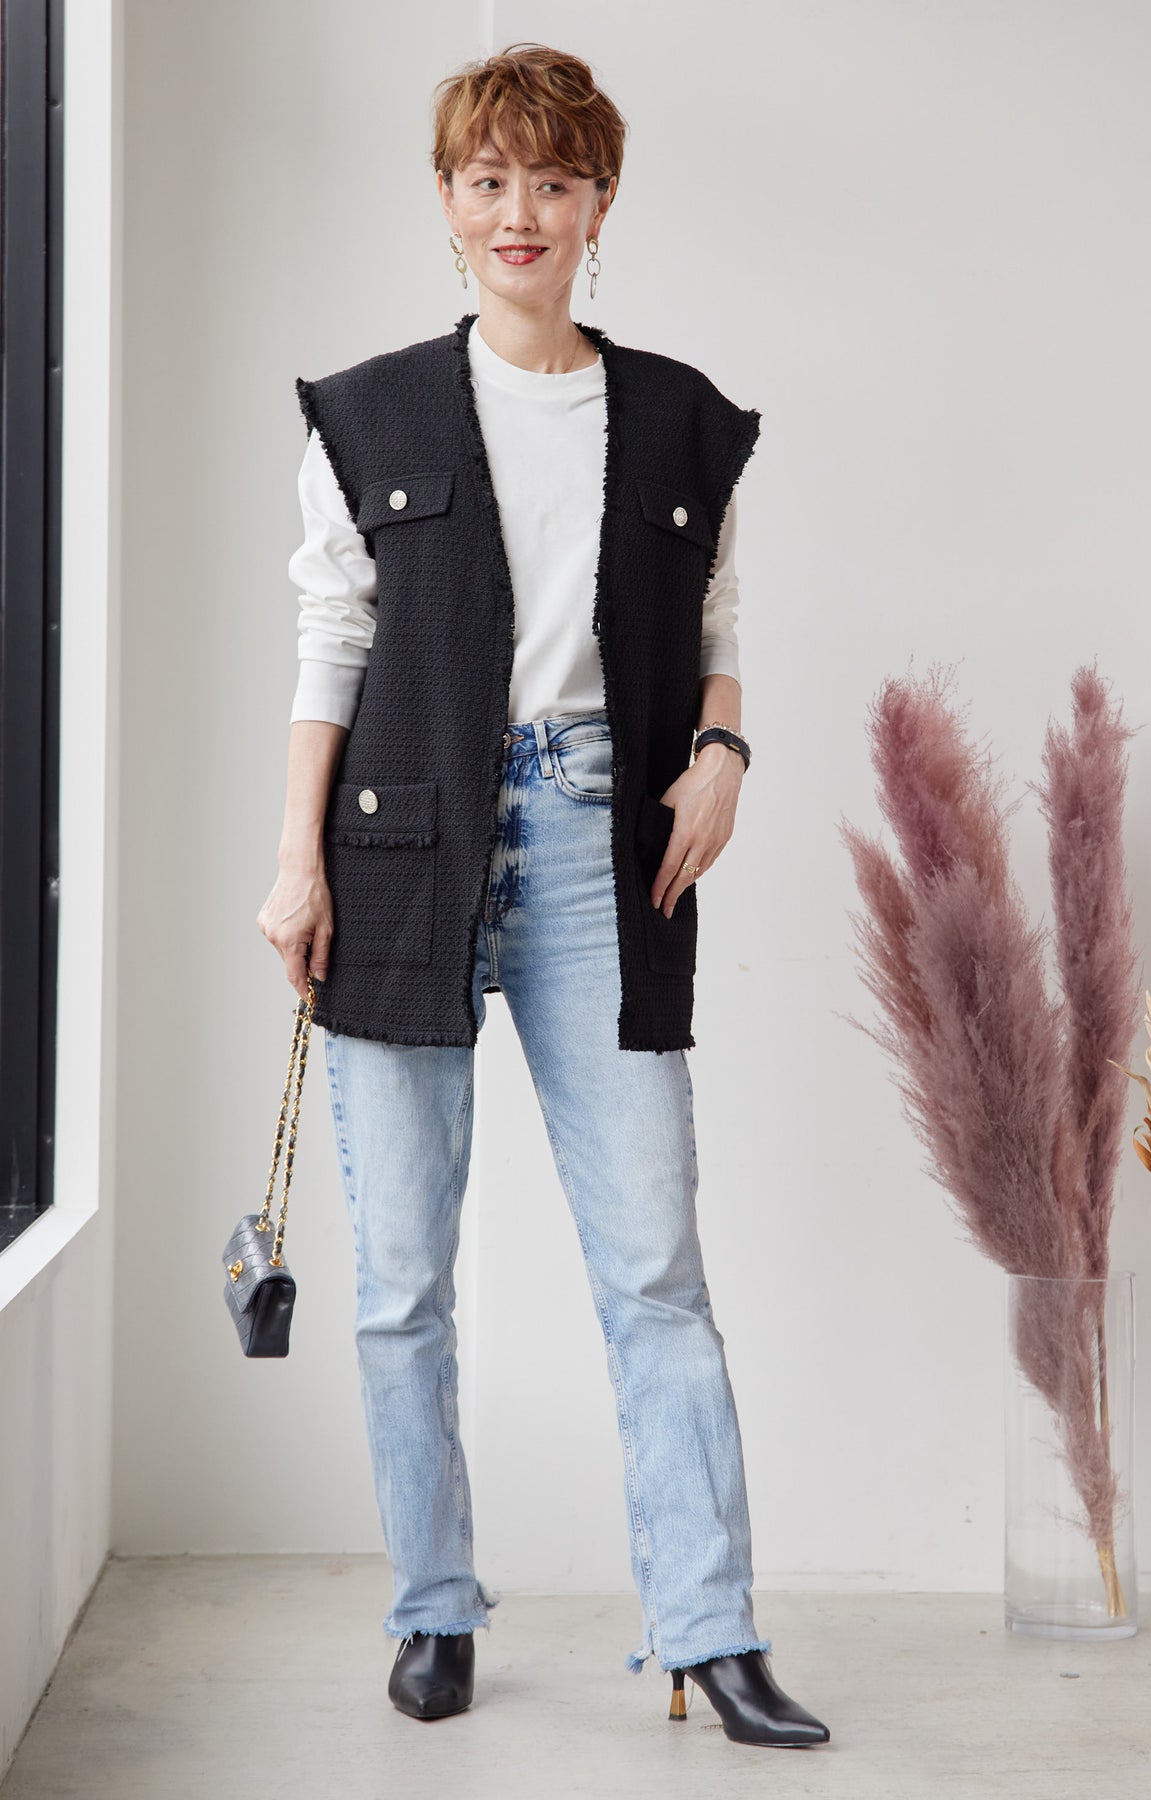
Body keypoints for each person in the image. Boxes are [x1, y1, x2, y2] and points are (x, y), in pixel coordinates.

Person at [257, 41, 831, 1751]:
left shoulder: (680, 418)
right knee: (399, 1281)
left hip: (602, 846)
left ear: (599, 203)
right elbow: (332, 639)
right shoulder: (366, 413)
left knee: (655, 1268)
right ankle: (433, 1609)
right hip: (396, 854)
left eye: (555, 181)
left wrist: (724, 748)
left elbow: (717, 620)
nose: (522, 211)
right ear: (447, 202)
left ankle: (711, 1633)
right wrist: (294, 859)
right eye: (489, 179)